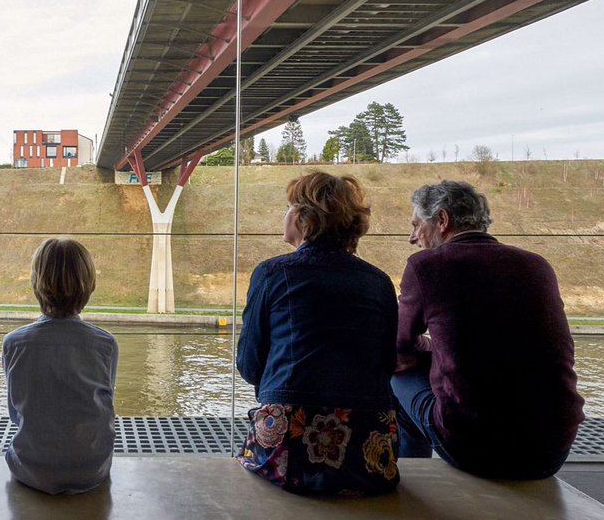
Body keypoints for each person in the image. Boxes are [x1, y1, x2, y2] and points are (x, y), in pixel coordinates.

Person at [394, 180, 585, 479]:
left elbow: (399, 345)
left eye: (417, 225)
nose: (412, 237)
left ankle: (408, 478)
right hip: (552, 449)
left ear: (442, 220)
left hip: (475, 449)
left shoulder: (428, 265)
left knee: (396, 373)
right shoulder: (537, 265)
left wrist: (428, 351)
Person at [236, 171, 400, 496]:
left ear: (302, 217)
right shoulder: (379, 282)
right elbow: (386, 364)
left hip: (286, 446)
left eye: (288, 207)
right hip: (369, 451)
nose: (285, 215)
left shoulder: (271, 273)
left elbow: (249, 365)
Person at [3, 238, 118, 495]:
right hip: (92, 468)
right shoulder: (105, 345)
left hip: (30, 468)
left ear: (36, 283)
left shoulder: (14, 344)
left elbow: (15, 412)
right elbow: (106, 403)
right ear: (89, 285)